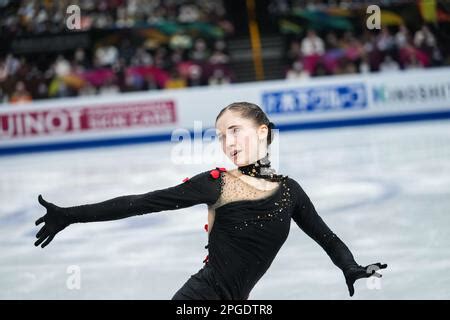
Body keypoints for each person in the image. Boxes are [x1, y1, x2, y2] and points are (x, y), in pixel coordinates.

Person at [34, 102, 387, 299]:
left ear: (262, 131)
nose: (227, 142)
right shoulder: (217, 183)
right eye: (220, 136)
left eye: (234, 130)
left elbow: (327, 238)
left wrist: (349, 265)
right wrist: (70, 215)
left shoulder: (290, 191)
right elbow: (141, 202)